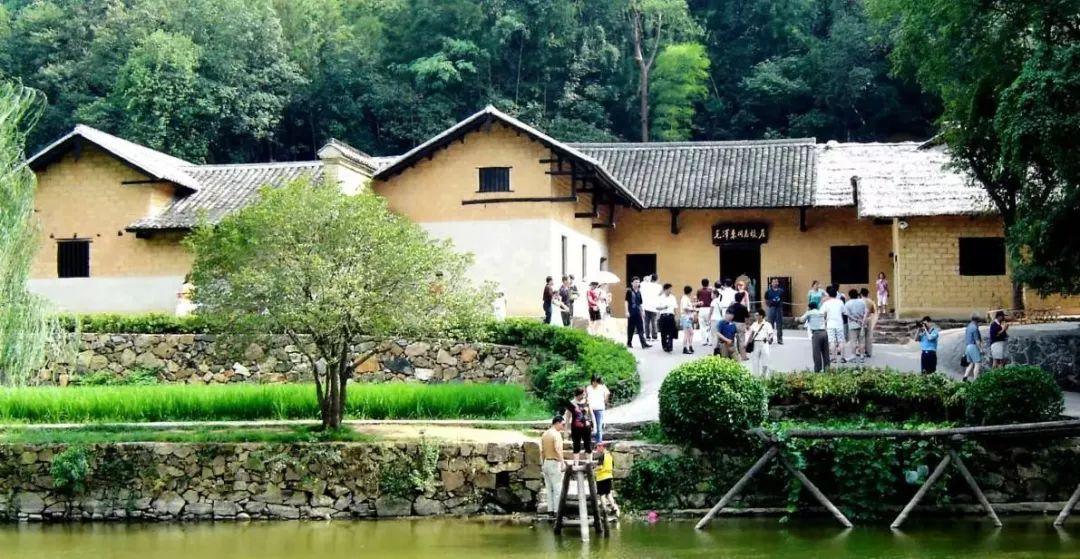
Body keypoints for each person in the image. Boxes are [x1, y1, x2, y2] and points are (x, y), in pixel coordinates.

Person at [540, 416, 566, 516]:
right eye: (563, 424)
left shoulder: (545, 434)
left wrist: (543, 463)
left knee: (549, 488)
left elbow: (542, 451)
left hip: (546, 461)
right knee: (557, 487)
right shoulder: (556, 434)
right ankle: (557, 511)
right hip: (554, 462)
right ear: (557, 423)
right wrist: (562, 462)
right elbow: (558, 449)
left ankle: (550, 510)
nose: (563, 427)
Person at [796, 301, 829, 372]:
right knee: (825, 353)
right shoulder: (821, 312)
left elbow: (801, 320)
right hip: (824, 333)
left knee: (816, 353)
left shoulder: (809, 312)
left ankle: (818, 370)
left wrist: (797, 319)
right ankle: (827, 369)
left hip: (816, 334)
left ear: (809, 307)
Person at [564, 388, 593, 462]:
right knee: (576, 446)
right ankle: (576, 464)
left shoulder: (587, 402)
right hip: (575, 428)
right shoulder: (571, 404)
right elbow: (567, 418)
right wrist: (566, 430)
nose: (583, 396)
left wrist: (594, 426)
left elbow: (592, 415)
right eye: (582, 394)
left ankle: (590, 462)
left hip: (586, 427)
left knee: (588, 445)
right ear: (578, 395)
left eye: (584, 394)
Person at [821, 285, 847, 367]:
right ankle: (842, 357)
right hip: (839, 324)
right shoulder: (840, 302)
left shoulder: (826, 303)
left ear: (828, 294)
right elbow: (844, 312)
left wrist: (824, 320)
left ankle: (834, 358)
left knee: (832, 341)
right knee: (841, 340)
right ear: (836, 294)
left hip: (830, 324)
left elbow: (821, 313)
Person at [746, 308, 776, 377]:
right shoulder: (754, 324)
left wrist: (769, 338)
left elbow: (771, 333)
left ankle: (763, 375)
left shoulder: (767, 324)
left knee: (765, 360)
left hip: (764, 343)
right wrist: (747, 343)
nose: (755, 316)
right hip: (756, 343)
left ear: (761, 316)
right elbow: (751, 334)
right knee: (755, 361)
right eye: (755, 315)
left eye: (757, 315)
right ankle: (756, 376)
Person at [594, 442, 621, 517]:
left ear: (602, 447)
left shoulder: (602, 456)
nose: (597, 449)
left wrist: (594, 469)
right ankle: (615, 508)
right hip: (609, 476)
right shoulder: (610, 455)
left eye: (597, 447)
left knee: (602, 495)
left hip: (601, 477)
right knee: (608, 494)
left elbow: (600, 467)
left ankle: (604, 510)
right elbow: (612, 465)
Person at [625, 277, 651, 349]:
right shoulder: (629, 291)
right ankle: (629, 343)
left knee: (640, 328)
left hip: (638, 312)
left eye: (638, 282)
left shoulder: (639, 292)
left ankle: (644, 344)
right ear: (632, 283)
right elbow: (626, 302)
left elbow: (640, 303)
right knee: (631, 328)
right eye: (636, 282)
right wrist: (626, 311)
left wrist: (642, 311)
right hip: (631, 312)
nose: (637, 283)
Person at [844, 289, 867, 365]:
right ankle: (862, 356)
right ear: (857, 294)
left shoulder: (847, 303)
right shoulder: (862, 302)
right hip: (862, 324)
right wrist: (862, 321)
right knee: (862, 341)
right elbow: (866, 312)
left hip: (852, 325)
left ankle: (853, 356)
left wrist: (856, 320)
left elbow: (847, 315)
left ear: (849, 295)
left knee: (853, 341)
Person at [586, 376, 611, 444]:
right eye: (594, 381)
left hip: (600, 409)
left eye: (596, 381)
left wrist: (605, 400)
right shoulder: (588, 388)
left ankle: (599, 443)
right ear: (592, 381)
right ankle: (590, 441)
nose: (595, 383)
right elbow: (586, 397)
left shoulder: (602, 387)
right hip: (591, 409)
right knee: (591, 426)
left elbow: (608, 393)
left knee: (599, 427)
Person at [728, 292, 751, 360]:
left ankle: (732, 355)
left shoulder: (731, 307)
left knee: (731, 340)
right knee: (741, 340)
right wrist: (747, 325)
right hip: (741, 324)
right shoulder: (743, 307)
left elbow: (728, 316)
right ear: (741, 299)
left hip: (732, 324)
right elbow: (747, 317)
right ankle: (743, 356)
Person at [656, 283, 678, 352]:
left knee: (671, 332)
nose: (670, 290)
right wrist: (663, 307)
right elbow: (657, 307)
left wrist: (676, 317)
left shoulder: (673, 297)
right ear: (665, 289)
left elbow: (675, 308)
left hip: (671, 316)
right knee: (663, 332)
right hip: (663, 316)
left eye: (671, 289)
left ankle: (670, 346)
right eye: (669, 289)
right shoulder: (660, 297)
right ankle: (664, 346)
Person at [963, 313, 984, 382]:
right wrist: (981, 349)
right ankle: (976, 380)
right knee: (978, 363)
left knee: (971, 363)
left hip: (968, 346)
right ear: (977, 321)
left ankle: (965, 378)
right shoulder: (975, 328)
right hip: (973, 346)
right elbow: (977, 340)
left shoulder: (968, 326)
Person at [640, 274, 661, 341]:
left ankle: (647, 337)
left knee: (646, 323)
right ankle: (654, 337)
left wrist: (646, 279)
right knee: (654, 322)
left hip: (646, 307)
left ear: (651, 278)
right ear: (657, 279)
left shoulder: (645, 285)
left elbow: (641, 284)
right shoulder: (659, 286)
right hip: (654, 307)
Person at [764, 278, 785, 345]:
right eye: (774, 282)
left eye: (776, 282)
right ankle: (770, 339)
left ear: (778, 283)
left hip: (779, 308)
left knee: (779, 324)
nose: (775, 283)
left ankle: (780, 339)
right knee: (770, 324)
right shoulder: (768, 291)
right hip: (771, 308)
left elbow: (783, 299)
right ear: (771, 283)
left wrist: (780, 304)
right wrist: (769, 305)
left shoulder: (781, 291)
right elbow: (766, 300)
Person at [696, 278, 714, 346]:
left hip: (702, 309)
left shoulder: (699, 291)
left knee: (702, 326)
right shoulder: (710, 291)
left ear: (702, 283)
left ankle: (704, 341)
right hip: (709, 308)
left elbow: (698, 299)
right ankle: (710, 341)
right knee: (709, 325)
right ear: (708, 283)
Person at [680, 285, 697, 354]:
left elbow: (688, 306)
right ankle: (685, 348)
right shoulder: (685, 298)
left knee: (691, 333)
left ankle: (690, 346)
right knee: (687, 334)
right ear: (690, 292)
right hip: (685, 318)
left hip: (687, 318)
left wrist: (695, 305)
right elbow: (685, 308)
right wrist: (693, 310)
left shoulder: (686, 298)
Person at [860, 287, 876, 358]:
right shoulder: (870, 301)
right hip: (869, 319)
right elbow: (873, 311)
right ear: (867, 294)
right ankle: (869, 352)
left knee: (861, 336)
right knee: (868, 336)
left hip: (861, 319)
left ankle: (861, 351)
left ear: (861, 294)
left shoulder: (860, 301)